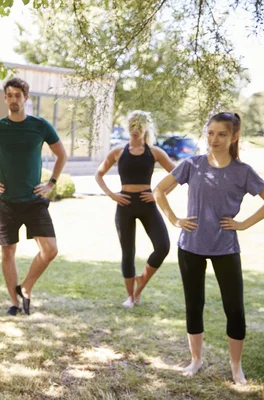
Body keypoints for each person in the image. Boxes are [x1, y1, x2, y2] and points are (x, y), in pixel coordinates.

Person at [154, 112, 264, 385]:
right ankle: (196, 360)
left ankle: (236, 366)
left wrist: (244, 224)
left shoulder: (243, 172)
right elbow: (159, 190)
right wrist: (174, 218)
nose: (214, 139)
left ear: (234, 136)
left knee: (235, 309)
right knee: (194, 305)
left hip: (226, 247)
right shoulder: (192, 164)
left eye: (222, 134)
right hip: (190, 246)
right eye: (211, 133)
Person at [0, 77, 67, 316]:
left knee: (50, 250)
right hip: (6, 202)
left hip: (34, 200)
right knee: (8, 252)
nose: (14, 99)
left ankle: (26, 287)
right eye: (10, 95)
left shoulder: (40, 125)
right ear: (5, 99)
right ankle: (14, 302)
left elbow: (61, 154)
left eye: (18, 95)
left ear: (26, 97)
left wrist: (51, 183)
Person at [95, 111, 175, 308]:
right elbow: (99, 174)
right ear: (127, 127)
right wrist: (112, 194)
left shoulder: (155, 152)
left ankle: (140, 285)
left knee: (163, 246)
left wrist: (158, 193)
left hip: (147, 203)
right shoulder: (118, 152)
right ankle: (130, 297)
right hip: (125, 205)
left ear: (145, 128)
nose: (135, 131)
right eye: (132, 126)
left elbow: (178, 175)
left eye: (139, 127)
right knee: (128, 252)